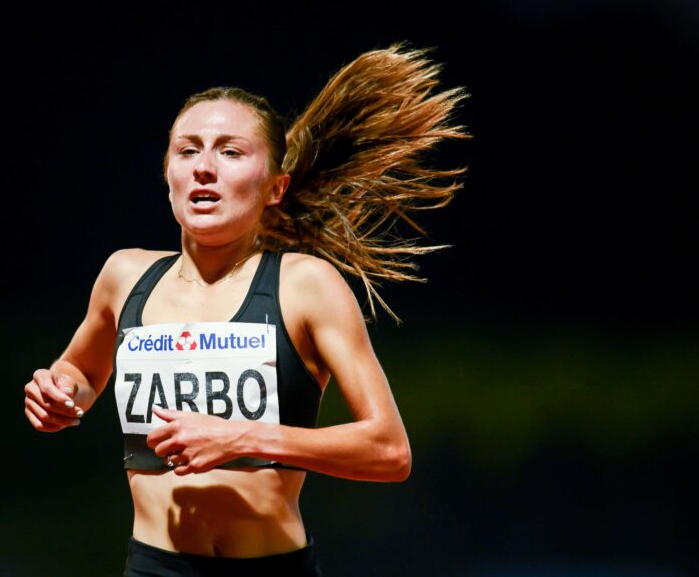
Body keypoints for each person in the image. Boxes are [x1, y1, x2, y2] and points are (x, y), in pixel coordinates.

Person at [23, 43, 467, 576]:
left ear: (276, 186)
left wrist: (239, 436)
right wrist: (61, 393)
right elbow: (81, 371)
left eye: (230, 152)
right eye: (188, 151)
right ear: (166, 172)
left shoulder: (305, 285)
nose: (204, 168)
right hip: (155, 566)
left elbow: (390, 451)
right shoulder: (124, 276)